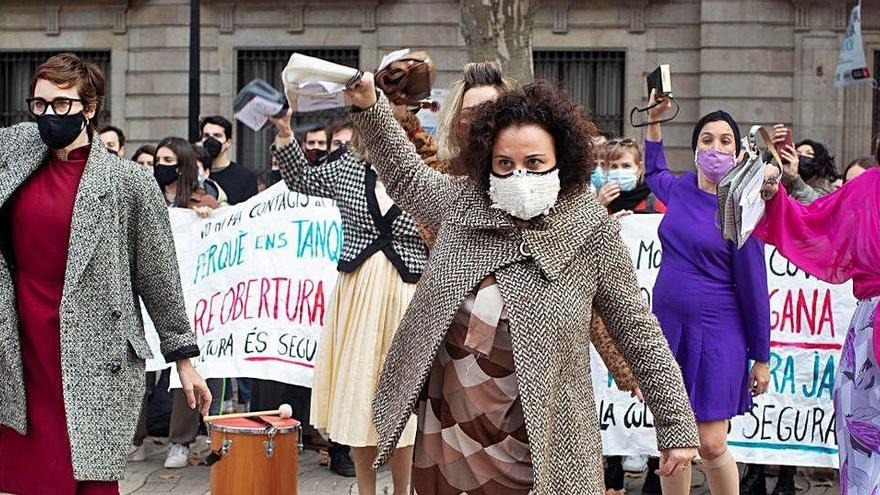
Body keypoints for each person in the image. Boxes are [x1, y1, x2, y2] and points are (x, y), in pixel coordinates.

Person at [344, 73, 699, 494]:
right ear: (487, 162)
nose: (519, 177)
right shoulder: (463, 202)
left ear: (559, 160)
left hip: (546, 440)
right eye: (504, 164)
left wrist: (676, 424)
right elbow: (407, 178)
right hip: (452, 432)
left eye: (533, 163)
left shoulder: (588, 227)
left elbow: (636, 327)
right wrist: (370, 107)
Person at [0, 52, 210, 495]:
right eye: (39, 105)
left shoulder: (127, 181)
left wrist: (184, 359)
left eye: (61, 105)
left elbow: (158, 274)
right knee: (32, 476)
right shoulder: (14, 152)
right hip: (20, 345)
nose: (48, 115)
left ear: (89, 108)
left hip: (96, 352)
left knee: (88, 478)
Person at [269, 95, 436, 494]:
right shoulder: (345, 166)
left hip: (408, 292)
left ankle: (402, 489)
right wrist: (285, 133)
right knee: (361, 393)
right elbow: (301, 180)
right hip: (358, 291)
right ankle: (364, 489)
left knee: (407, 397)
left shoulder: (427, 174)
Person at [642, 92, 771, 495]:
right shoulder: (678, 188)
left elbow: (755, 288)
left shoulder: (741, 205)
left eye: (725, 141)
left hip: (720, 333)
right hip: (668, 329)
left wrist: (761, 358)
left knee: (712, 443)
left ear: (737, 151)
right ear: (696, 147)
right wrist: (654, 118)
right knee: (672, 440)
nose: (715, 148)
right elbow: (653, 167)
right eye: (707, 140)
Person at [756, 145, 880, 495]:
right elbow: (811, 220)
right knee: (863, 456)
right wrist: (773, 191)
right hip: (871, 336)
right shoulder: (868, 186)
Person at [152, 137, 226, 469]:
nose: (159, 165)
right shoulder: (146, 197)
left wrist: (211, 218)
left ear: (181, 165)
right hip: (148, 292)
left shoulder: (204, 200)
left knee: (186, 365)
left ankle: (180, 441)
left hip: (191, 296)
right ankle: (134, 436)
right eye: (157, 158)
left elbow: (229, 231)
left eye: (167, 159)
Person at [594, 138, 666, 216]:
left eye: (626, 166)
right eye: (614, 166)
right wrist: (598, 207)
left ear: (639, 168)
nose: (619, 172)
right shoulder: (601, 199)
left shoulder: (657, 201)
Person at [198, 115, 258, 205]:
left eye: (217, 136)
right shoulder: (194, 174)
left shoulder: (245, 177)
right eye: (206, 136)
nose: (211, 140)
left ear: (228, 143)